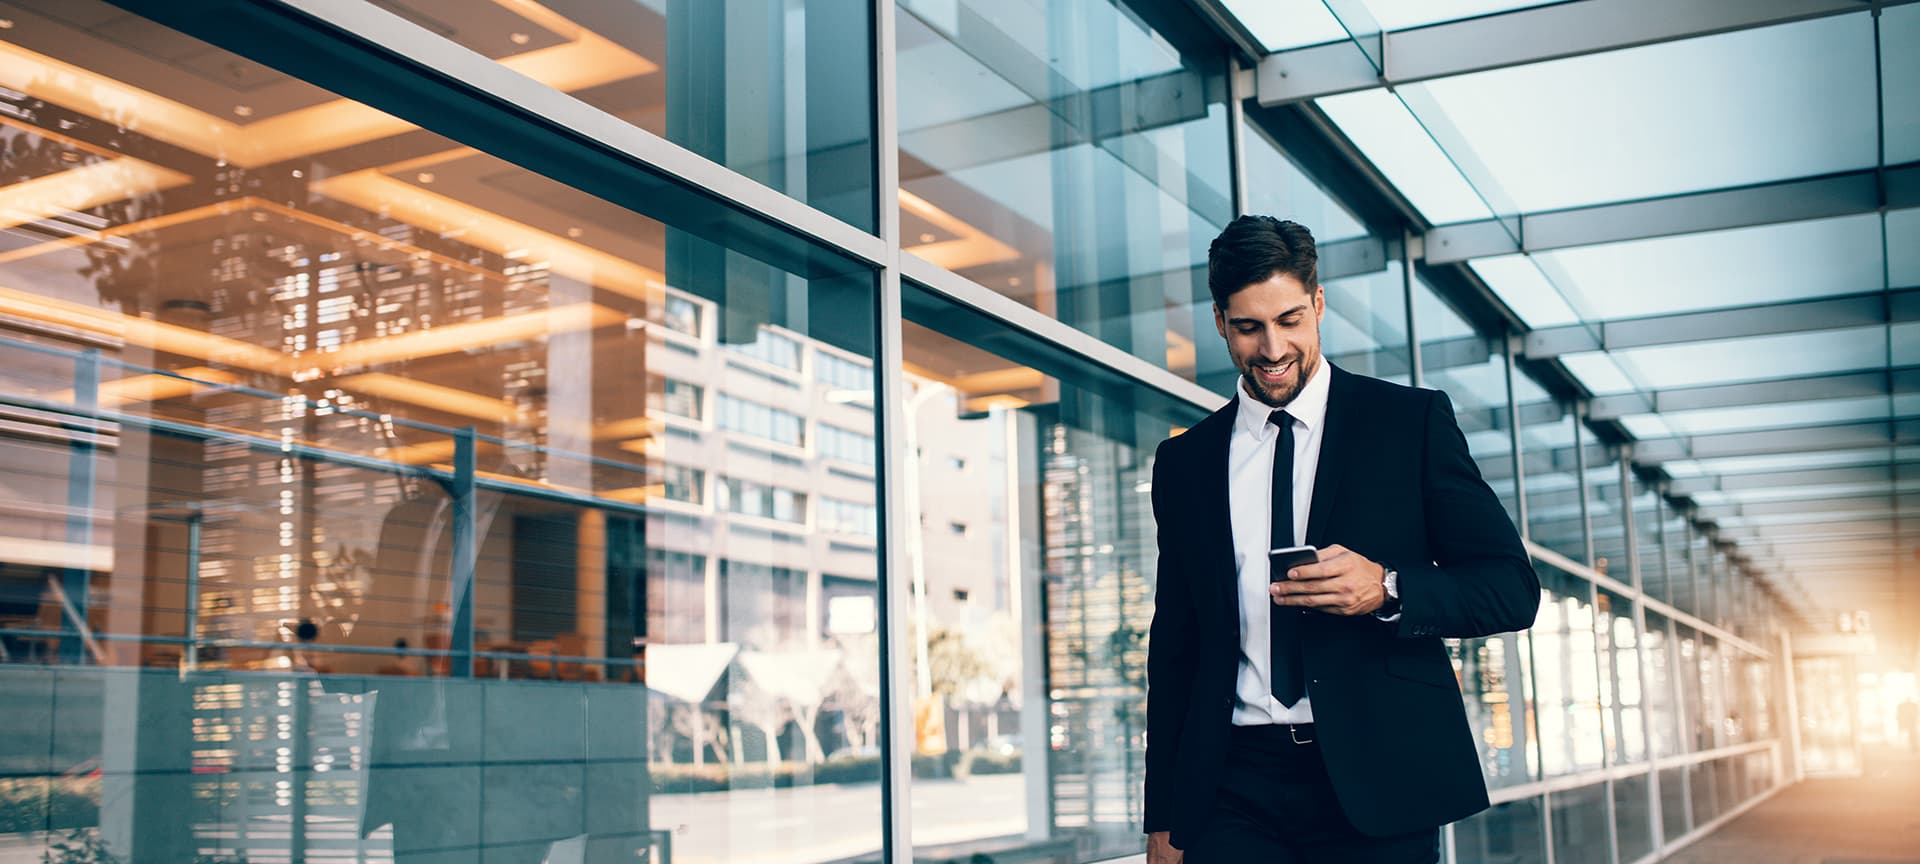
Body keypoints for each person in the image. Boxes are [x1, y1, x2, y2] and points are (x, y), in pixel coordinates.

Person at [1143, 216, 1540, 863]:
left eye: (1291, 320)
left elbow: (1511, 590)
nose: (1273, 348)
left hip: (1379, 778)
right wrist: (1164, 816)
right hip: (1231, 787)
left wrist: (1386, 589)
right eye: (1249, 327)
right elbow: (1176, 649)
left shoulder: (1408, 424)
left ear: (1319, 304)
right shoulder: (1185, 464)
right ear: (1219, 320)